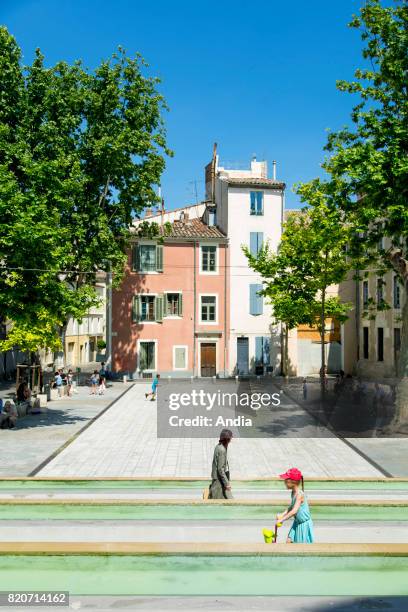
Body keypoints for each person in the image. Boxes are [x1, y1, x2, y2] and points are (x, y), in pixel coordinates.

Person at [276, 468, 314, 543]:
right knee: (289, 541)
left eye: (285, 480)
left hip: (303, 524)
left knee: (301, 548)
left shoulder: (299, 495)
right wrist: (282, 514)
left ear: (292, 482)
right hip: (297, 522)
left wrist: (282, 519)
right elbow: (291, 507)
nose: (284, 482)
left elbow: (294, 511)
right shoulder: (293, 492)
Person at [208, 429, 233, 500]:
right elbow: (220, 469)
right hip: (219, 481)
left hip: (217, 478)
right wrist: (227, 483)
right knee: (220, 500)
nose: (231, 439)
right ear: (227, 439)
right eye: (231, 437)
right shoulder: (222, 450)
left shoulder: (218, 446)